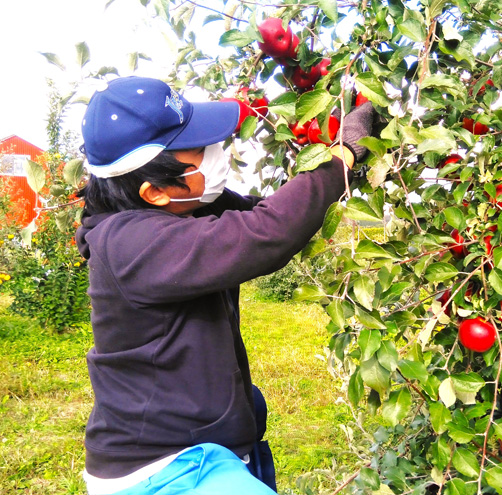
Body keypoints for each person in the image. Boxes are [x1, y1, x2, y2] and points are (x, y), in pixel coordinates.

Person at [74, 76, 374, 494]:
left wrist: (325, 137)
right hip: (164, 469)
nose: (217, 152)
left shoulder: (180, 208)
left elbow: (270, 213)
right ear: (155, 191)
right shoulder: (130, 244)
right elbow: (267, 232)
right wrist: (343, 154)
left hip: (206, 446)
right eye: (199, 149)